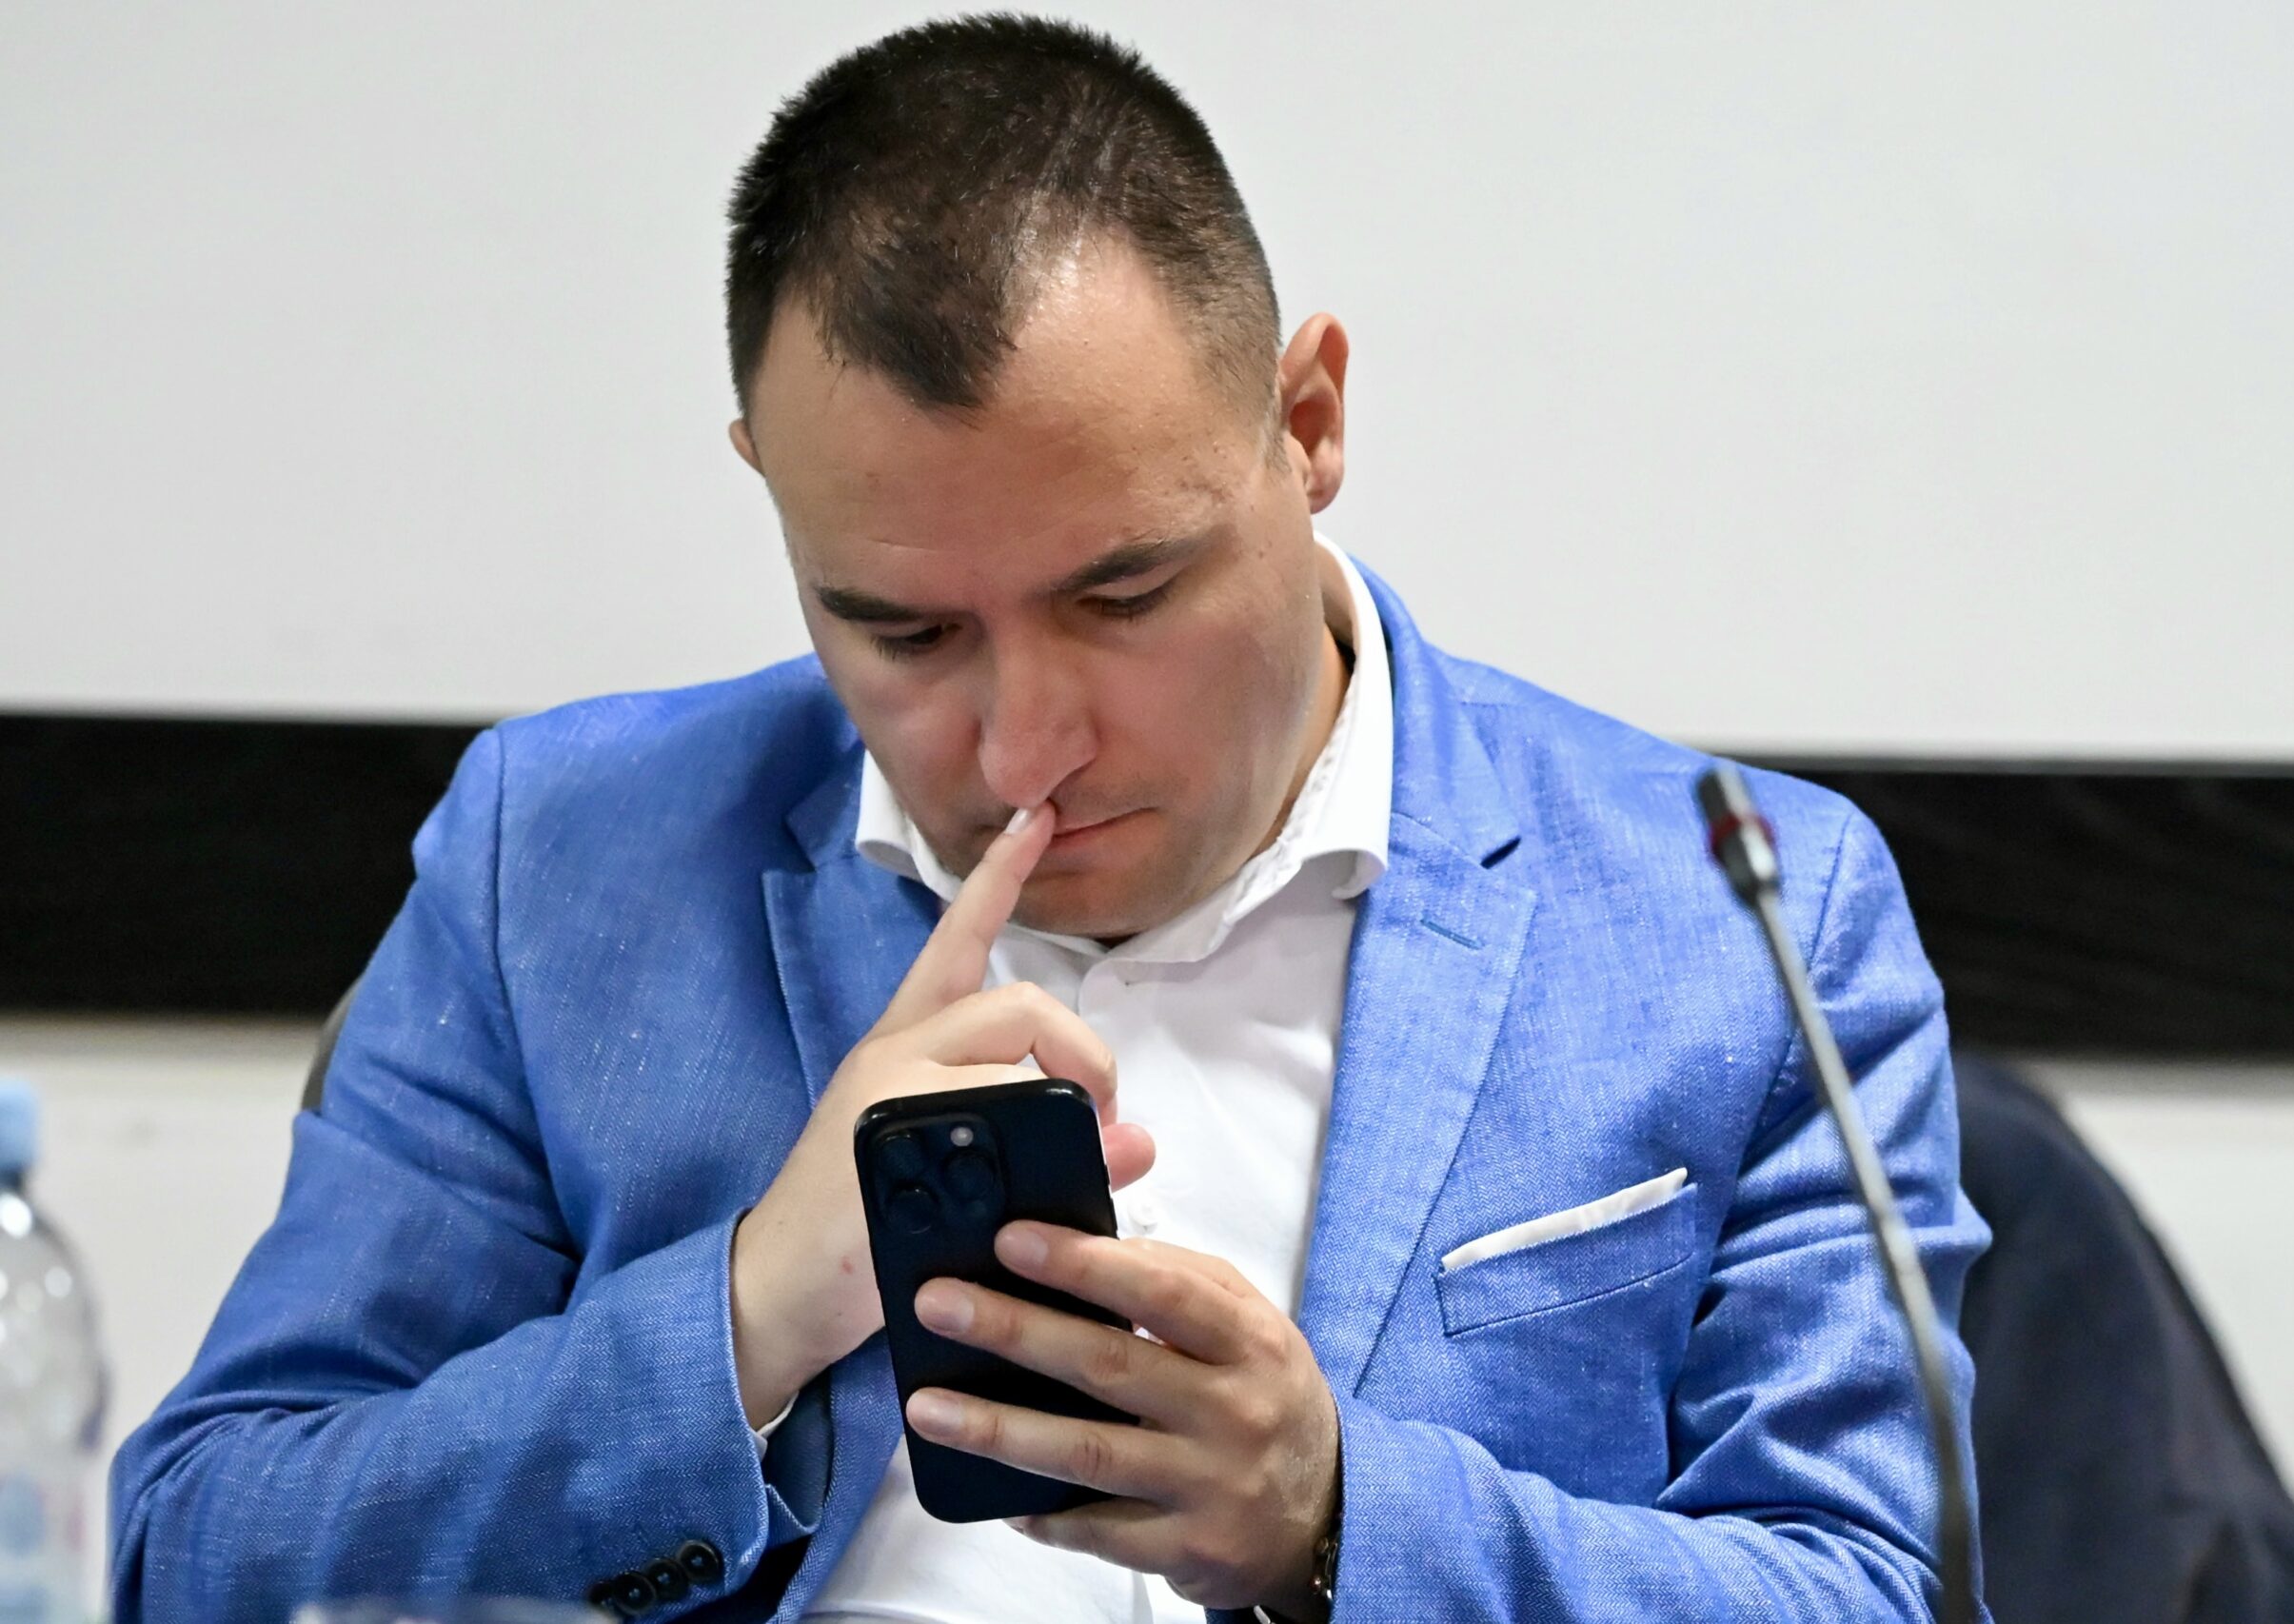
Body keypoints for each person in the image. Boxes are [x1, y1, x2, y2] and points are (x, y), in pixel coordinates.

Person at [110, 15, 1987, 1623]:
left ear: (1307, 420)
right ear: (772, 492)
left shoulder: (1737, 912)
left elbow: (1877, 1587)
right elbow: (199, 1548)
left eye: (1124, 594)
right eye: (902, 630)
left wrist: (1340, 1523)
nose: (1025, 744)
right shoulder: (565, 858)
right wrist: (744, 1316)